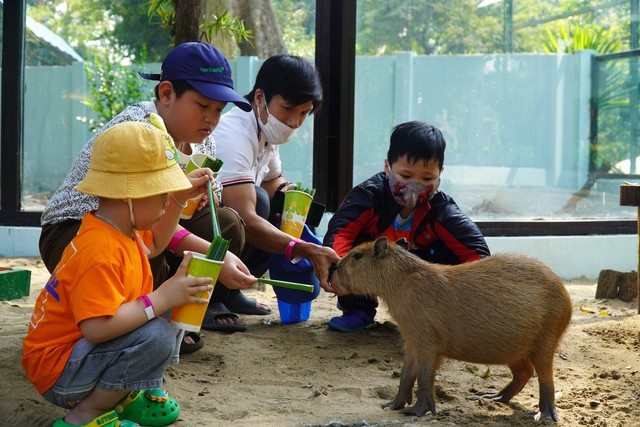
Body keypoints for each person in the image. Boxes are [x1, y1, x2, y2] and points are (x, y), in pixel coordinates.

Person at [39, 42, 257, 342]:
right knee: (139, 241)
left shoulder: (204, 139)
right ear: (166, 93)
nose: (212, 118)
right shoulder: (140, 131)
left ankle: (181, 308)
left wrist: (201, 196)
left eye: (219, 110)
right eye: (203, 106)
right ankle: (129, 320)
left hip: (142, 222)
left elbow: (206, 199)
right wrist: (211, 254)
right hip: (76, 230)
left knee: (227, 222)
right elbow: (129, 211)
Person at [22, 121, 214, 427]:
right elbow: (96, 329)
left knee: (168, 309)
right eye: (162, 193)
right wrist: (161, 297)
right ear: (130, 196)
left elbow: (158, 245)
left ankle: (123, 395)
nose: (168, 201)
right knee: (159, 333)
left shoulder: (121, 230)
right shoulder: (99, 250)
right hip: (59, 371)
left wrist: (180, 198)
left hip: (78, 355)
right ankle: (85, 415)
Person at [323, 120, 491, 332]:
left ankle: (438, 320)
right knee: (355, 251)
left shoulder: (442, 211)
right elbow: (340, 233)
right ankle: (359, 311)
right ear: (387, 168)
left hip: (421, 277)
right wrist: (338, 271)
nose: (415, 186)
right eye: (406, 176)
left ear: (441, 173)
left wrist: (469, 298)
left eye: (427, 178)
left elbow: (479, 257)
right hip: (373, 269)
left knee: (454, 257)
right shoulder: (368, 196)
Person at [205, 54, 340, 294]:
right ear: (260, 97)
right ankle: (215, 296)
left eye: (303, 113)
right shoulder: (235, 134)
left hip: (230, 224)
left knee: (276, 204)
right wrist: (306, 249)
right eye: (288, 109)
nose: (294, 122)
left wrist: (291, 199)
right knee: (258, 204)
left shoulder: (266, 132)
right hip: (204, 228)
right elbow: (245, 218)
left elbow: (272, 179)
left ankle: (231, 293)